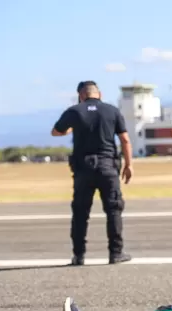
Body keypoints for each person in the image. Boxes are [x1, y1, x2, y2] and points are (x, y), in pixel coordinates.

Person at [52, 80, 133, 265]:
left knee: (80, 212)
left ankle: (78, 256)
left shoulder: (74, 111)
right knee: (113, 210)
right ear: (100, 94)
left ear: (81, 96)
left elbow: (56, 132)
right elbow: (125, 140)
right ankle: (115, 253)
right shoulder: (112, 111)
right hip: (108, 168)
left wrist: (74, 127)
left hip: (83, 168)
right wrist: (129, 165)